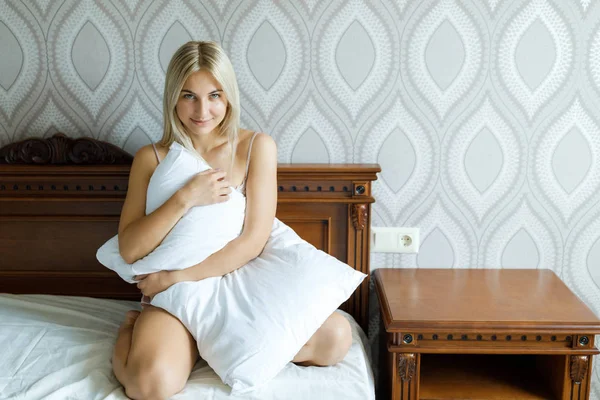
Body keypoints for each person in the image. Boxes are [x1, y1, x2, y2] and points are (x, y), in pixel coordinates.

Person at [112, 41, 352, 400]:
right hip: (176, 296)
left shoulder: (256, 147)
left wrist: (176, 275)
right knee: (149, 385)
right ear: (173, 98)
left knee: (336, 338)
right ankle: (136, 329)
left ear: (229, 97)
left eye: (214, 95)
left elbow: (253, 240)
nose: (202, 110)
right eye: (188, 96)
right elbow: (130, 249)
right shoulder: (152, 158)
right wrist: (185, 198)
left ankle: (209, 347)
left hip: (238, 286)